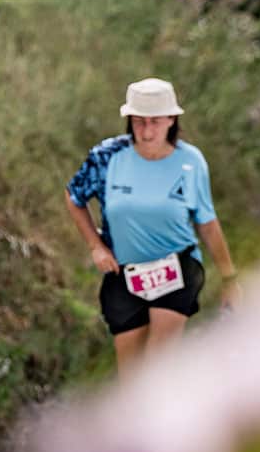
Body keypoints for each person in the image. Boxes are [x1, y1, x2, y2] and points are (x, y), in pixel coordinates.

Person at [65, 78, 241, 374]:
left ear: (172, 120)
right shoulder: (106, 157)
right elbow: (74, 197)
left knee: (157, 367)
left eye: (155, 122)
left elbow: (207, 223)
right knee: (131, 378)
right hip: (123, 272)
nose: (147, 132)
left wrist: (229, 278)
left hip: (177, 266)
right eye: (139, 122)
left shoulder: (191, 162)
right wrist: (95, 246)